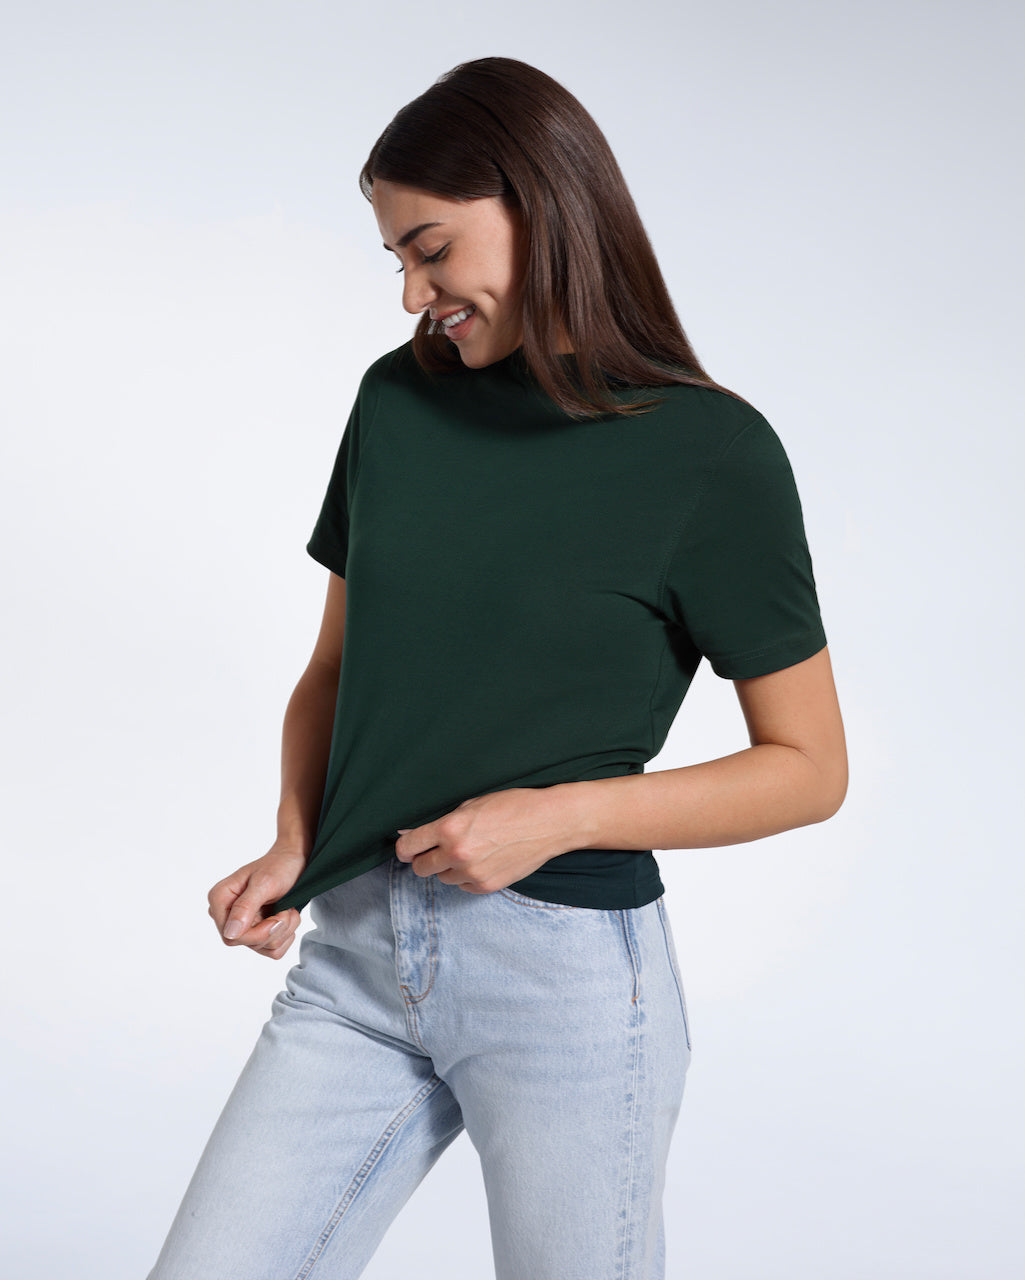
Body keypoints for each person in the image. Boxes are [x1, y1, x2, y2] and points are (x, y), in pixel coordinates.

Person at [147, 56, 847, 1280]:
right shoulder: (396, 406)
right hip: (358, 955)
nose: (413, 294)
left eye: (429, 249)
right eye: (398, 263)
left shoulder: (710, 455)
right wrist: (298, 836)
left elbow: (807, 767)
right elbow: (335, 669)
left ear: (537, 202)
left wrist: (555, 817)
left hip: (565, 980)